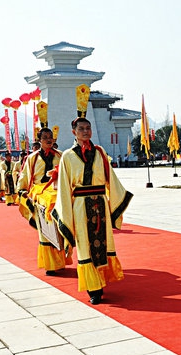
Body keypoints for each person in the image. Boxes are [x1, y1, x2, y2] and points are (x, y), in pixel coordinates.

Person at [53, 117, 133, 305]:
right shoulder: (68, 155)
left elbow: (110, 178)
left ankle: (100, 281)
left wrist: (117, 200)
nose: (86, 131)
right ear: (74, 132)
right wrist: (66, 214)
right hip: (81, 205)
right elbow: (64, 187)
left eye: (88, 128)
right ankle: (93, 288)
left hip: (100, 203)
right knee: (85, 245)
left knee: (102, 244)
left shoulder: (100, 152)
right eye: (81, 128)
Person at [17, 128, 67, 276]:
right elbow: (25, 175)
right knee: (46, 231)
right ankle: (50, 264)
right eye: (45, 137)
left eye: (51, 137)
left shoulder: (61, 155)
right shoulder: (32, 158)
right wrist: (22, 190)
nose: (49, 140)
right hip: (40, 193)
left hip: (57, 191)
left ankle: (60, 261)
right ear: (39, 140)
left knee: (60, 229)